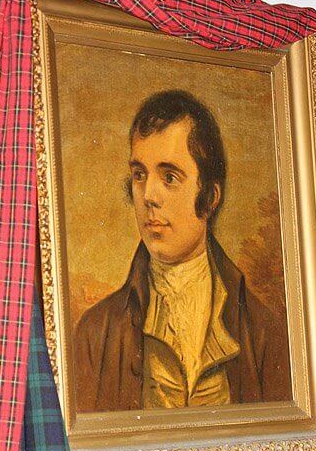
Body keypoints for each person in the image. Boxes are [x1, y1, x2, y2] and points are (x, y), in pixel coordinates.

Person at [74, 89, 290, 412]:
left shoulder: (262, 331)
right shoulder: (96, 333)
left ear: (210, 197)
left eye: (169, 177)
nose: (149, 195)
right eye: (139, 175)